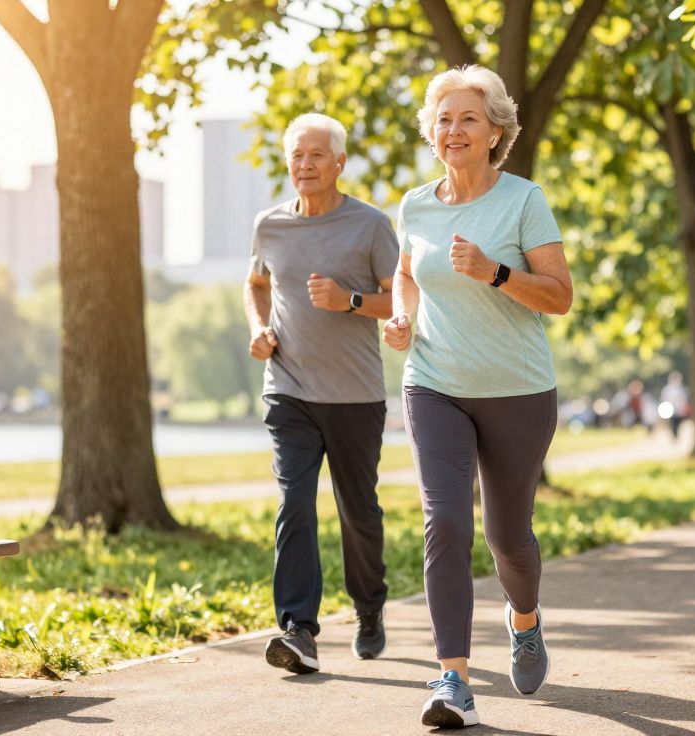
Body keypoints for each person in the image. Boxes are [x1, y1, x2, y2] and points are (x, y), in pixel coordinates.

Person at [383, 65, 572, 730]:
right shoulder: (415, 205)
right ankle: (454, 680)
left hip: (517, 390)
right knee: (445, 522)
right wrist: (401, 316)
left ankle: (524, 619)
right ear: (431, 133)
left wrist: (495, 272)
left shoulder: (523, 200)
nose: (454, 130)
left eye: (468, 118)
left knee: (508, 538)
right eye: (444, 119)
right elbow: (406, 273)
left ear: (496, 133)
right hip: (434, 383)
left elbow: (559, 296)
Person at [244, 113, 398, 675]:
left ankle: (369, 608)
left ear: (339, 163)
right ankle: (298, 630)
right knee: (294, 506)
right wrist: (259, 328)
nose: (305, 165)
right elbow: (256, 283)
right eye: (297, 155)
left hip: (356, 396)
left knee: (358, 513)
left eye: (316, 155)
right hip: (289, 391)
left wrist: (349, 301)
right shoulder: (270, 225)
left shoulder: (371, 225)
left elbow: (401, 300)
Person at [660, 371, 689, 440]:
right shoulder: (667, 389)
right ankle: (674, 435)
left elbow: (684, 399)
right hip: (670, 409)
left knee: (678, 423)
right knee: (672, 423)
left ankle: (676, 435)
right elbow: (664, 399)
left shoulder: (682, 389)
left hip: (679, 409)